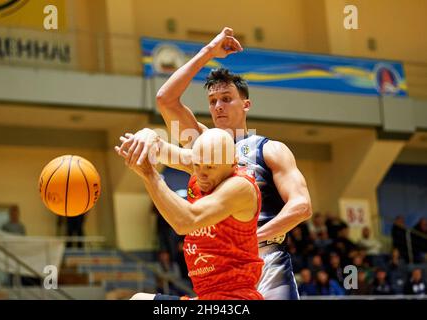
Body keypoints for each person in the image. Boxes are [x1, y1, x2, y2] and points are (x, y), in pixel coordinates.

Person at [119, 27, 312, 300]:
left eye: (226, 99)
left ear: (246, 105)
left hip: (267, 262)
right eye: (212, 101)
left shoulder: (270, 149)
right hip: (218, 275)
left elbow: (301, 206)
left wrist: (251, 239)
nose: (218, 106)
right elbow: (166, 100)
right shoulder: (202, 145)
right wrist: (208, 52)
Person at [116, 128, 264, 300]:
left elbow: (186, 221)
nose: (201, 174)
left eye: (210, 167)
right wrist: (148, 136)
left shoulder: (241, 187)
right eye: (197, 165)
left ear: (233, 163)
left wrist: (149, 174)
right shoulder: (203, 167)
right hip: (205, 297)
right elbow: (161, 148)